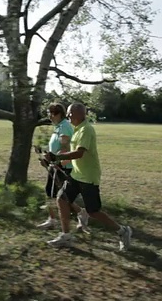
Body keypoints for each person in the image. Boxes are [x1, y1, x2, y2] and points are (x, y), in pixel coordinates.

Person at [43, 103, 132, 250]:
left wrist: (57, 157)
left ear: (78, 114)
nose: (68, 115)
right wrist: (55, 161)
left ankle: (123, 231)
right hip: (77, 175)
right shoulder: (76, 130)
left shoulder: (86, 130)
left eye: (70, 113)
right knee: (61, 199)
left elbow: (79, 153)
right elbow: (71, 154)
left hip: (89, 177)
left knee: (93, 211)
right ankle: (66, 236)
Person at [37, 103, 89, 232]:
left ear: (58, 113)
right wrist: (46, 158)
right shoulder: (58, 127)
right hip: (55, 165)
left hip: (62, 166)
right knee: (53, 193)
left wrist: (57, 163)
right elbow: (55, 148)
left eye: (51, 113)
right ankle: (56, 218)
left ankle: (76, 214)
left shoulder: (64, 127)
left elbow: (65, 149)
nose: (49, 115)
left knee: (58, 195)